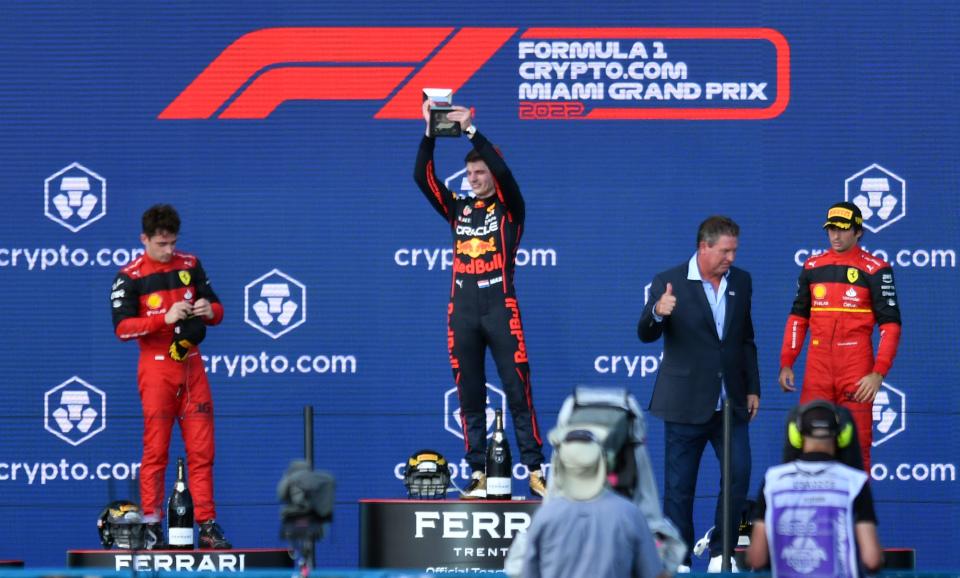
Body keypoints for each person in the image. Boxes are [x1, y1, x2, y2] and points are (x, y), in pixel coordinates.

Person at [413, 100, 545, 498]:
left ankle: (536, 470)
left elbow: (505, 173)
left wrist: (472, 131)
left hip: (500, 308)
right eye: (469, 173)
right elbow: (423, 177)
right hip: (463, 312)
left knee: (518, 390)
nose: (473, 179)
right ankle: (477, 472)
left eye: (480, 172)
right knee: (470, 393)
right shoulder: (458, 209)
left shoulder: (511, 209)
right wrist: (429, 132)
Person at [637, 216, 760, 572]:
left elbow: (745, 339)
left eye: (735, 251)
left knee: (738, 475)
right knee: (679, 488)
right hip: (684, 401)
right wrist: (658, 313)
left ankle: (722, 552)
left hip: (730, 402)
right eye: (725, 251)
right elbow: (644, 332)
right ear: (703, 247)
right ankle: (680, 558)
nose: (731, 258)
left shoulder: (742, 281)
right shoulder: (668, 281)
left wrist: (753, 387)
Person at [111, 204, 231, 549]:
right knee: (156, 450)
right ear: (144, 239)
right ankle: (151, 525)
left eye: (172, 243)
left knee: (202, 450)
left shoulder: (190, 264)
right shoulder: (129, 276)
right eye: (161, 244)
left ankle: (206, 524)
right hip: (156, 368)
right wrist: (163, 317)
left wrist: (211, 311)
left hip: (192, 365)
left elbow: (216, 307)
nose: (168, 250)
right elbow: (122, 328)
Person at [778, 202, 902, 471]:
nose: (836, 235)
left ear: (858, 232)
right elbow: (798, 318)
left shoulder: (876, 269)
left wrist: (878, 373)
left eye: (843, 229)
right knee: (805, 443)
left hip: (856, 368)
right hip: (817, 368)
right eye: (831, 229)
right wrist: (787, 361)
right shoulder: (812, 266)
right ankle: (809, 510)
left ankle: (856, 513)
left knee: (856, 449)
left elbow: (890, 327)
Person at [746, 401, 882, 577]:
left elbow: (757, 558)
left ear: (796, 435)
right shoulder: (854, 482)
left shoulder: (773, 481)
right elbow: (871, 559)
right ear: (842, 435)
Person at [522, 428, 668, 578]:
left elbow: (527, 573)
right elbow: (654, 573)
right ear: (604, 465)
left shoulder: (545, 516)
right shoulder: (629, 513)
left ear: (559, 468)